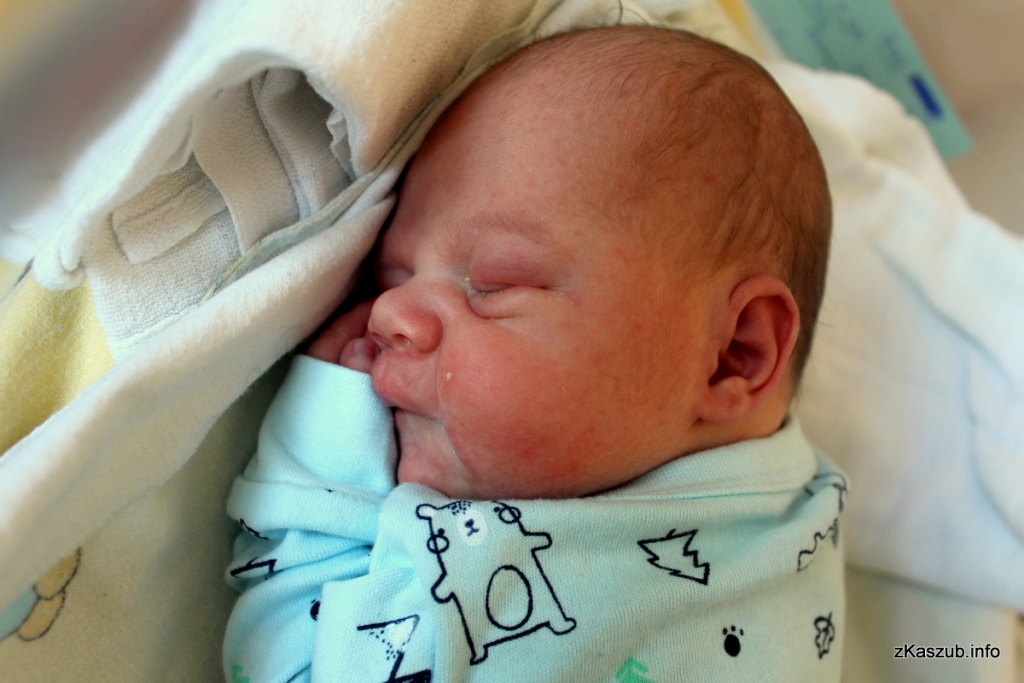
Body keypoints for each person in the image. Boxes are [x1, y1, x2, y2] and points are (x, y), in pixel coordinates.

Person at [224, 25, 844, 683]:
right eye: (391, 280)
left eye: (493, 284)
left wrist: (322, 451)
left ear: (735, 354)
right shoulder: (801, 521)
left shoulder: (493, 599)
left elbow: (284, 661)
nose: (386, 314)